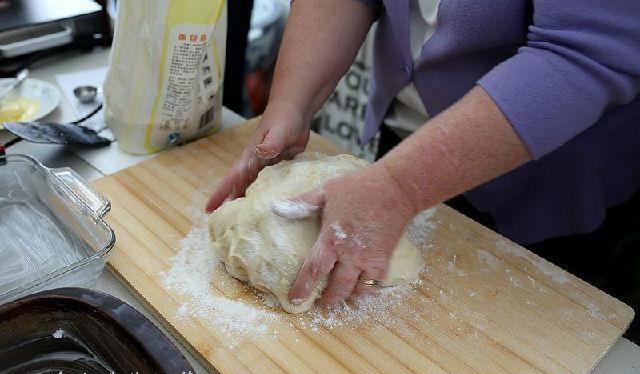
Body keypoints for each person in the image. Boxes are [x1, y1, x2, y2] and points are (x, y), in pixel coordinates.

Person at [206, 0, 640, 313]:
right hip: (407, 148)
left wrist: (400, 186)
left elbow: (585, 53)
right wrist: (290, 104)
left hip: (557, 186)